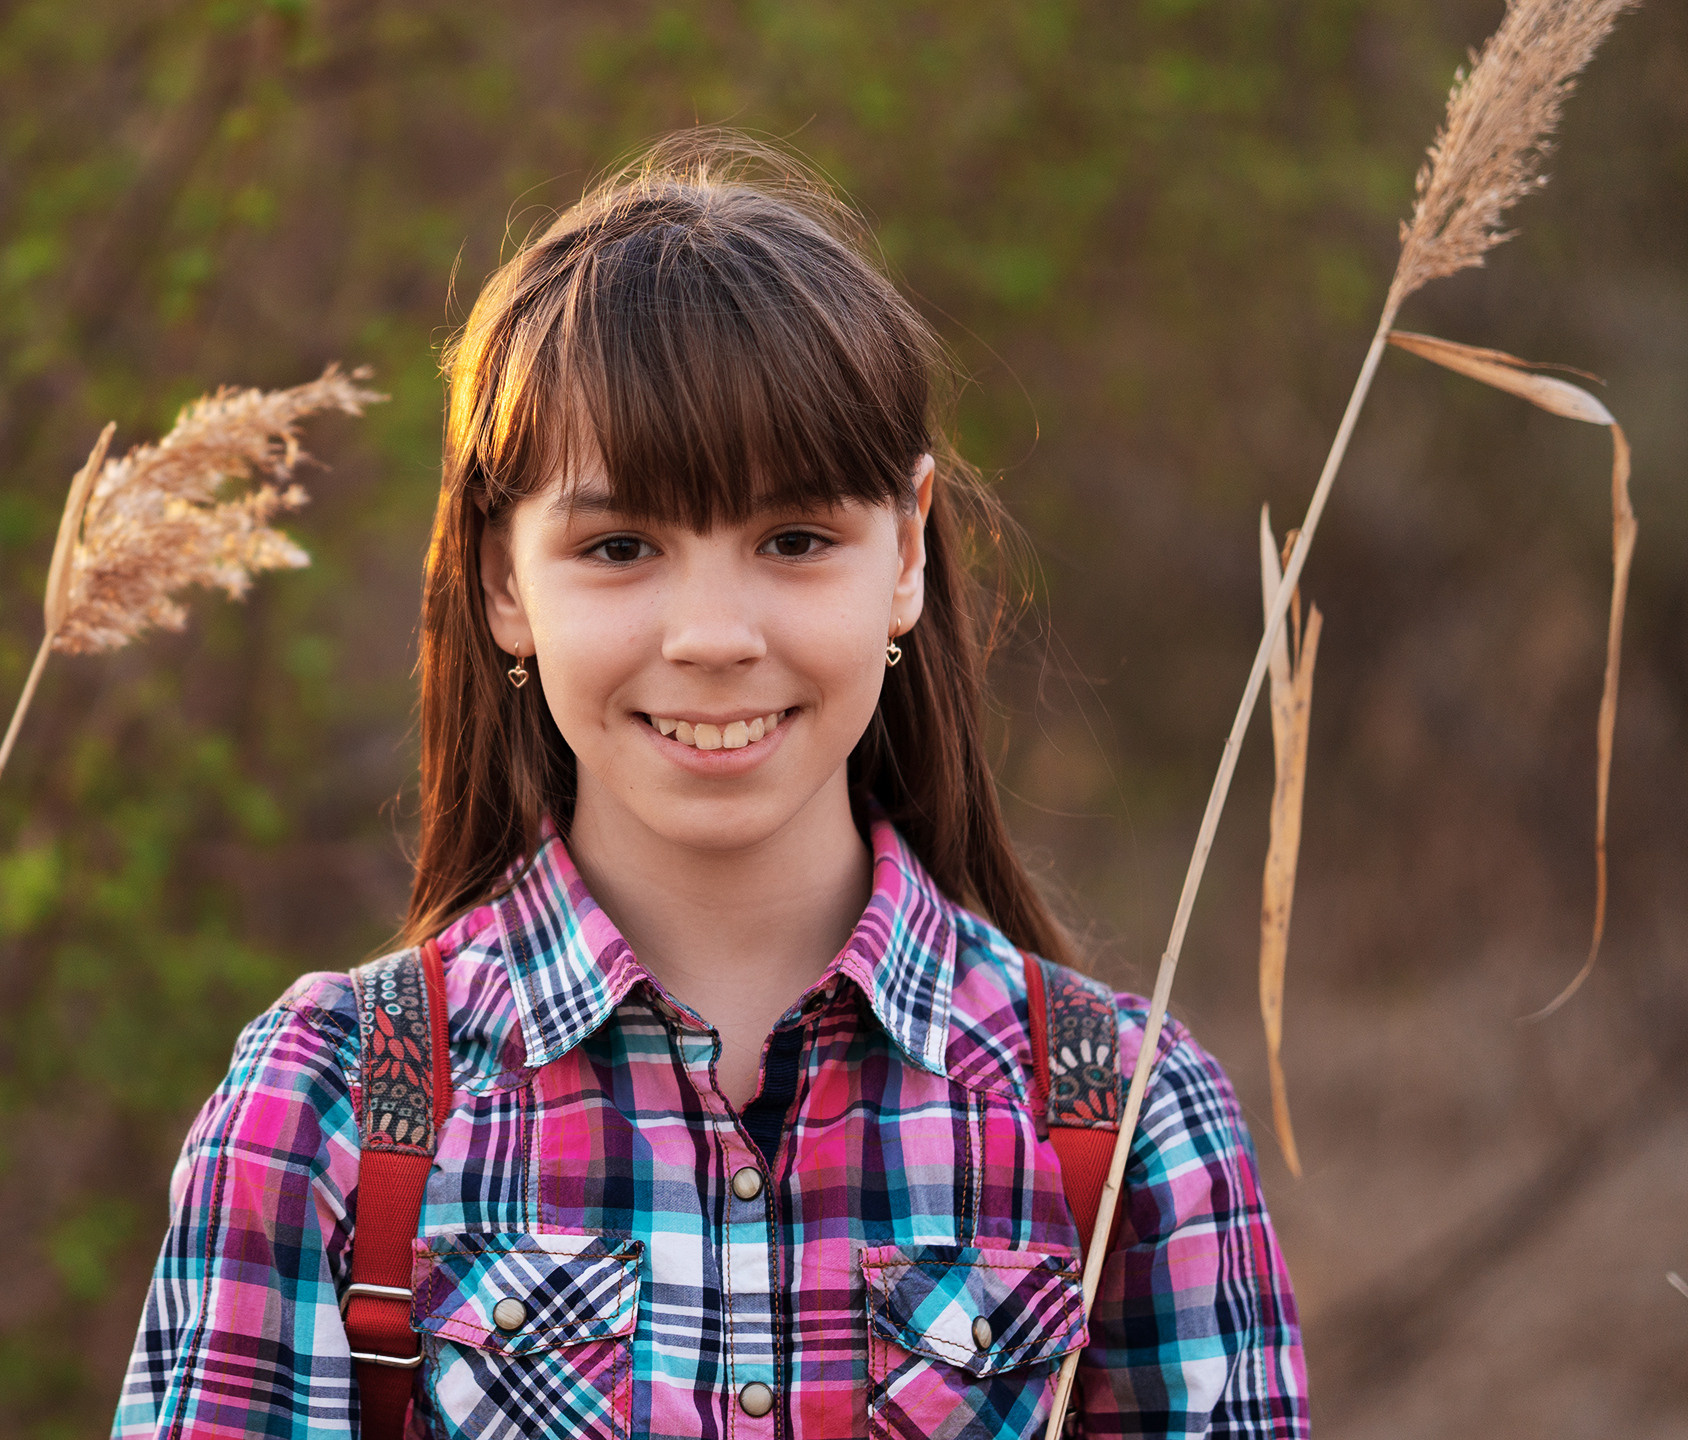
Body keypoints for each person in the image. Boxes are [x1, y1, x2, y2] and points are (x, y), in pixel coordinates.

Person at [110, 132, 1306, 1440]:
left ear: (905, 550)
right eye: (621, 547)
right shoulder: (328, 1109)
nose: (714, 635)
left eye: (795, 540)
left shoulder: (1123, 1124)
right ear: (506, 584)